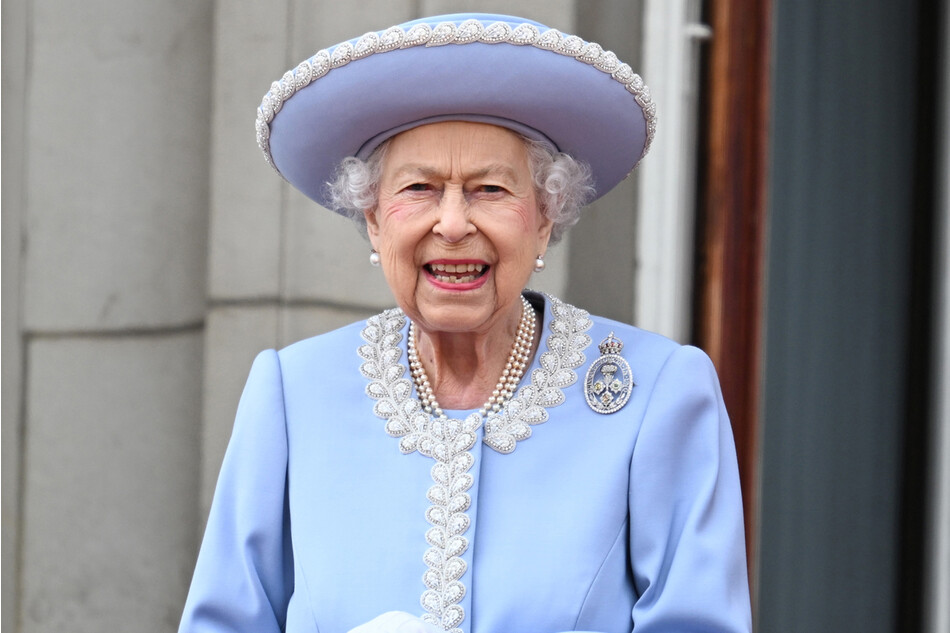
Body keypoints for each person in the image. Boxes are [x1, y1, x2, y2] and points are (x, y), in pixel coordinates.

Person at [179, 12, 751, 633]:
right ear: (374, 220)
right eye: (420, 188)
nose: (452, 224)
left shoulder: (657, 393)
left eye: (490, 190)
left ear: (544, 219)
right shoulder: (293, 391)